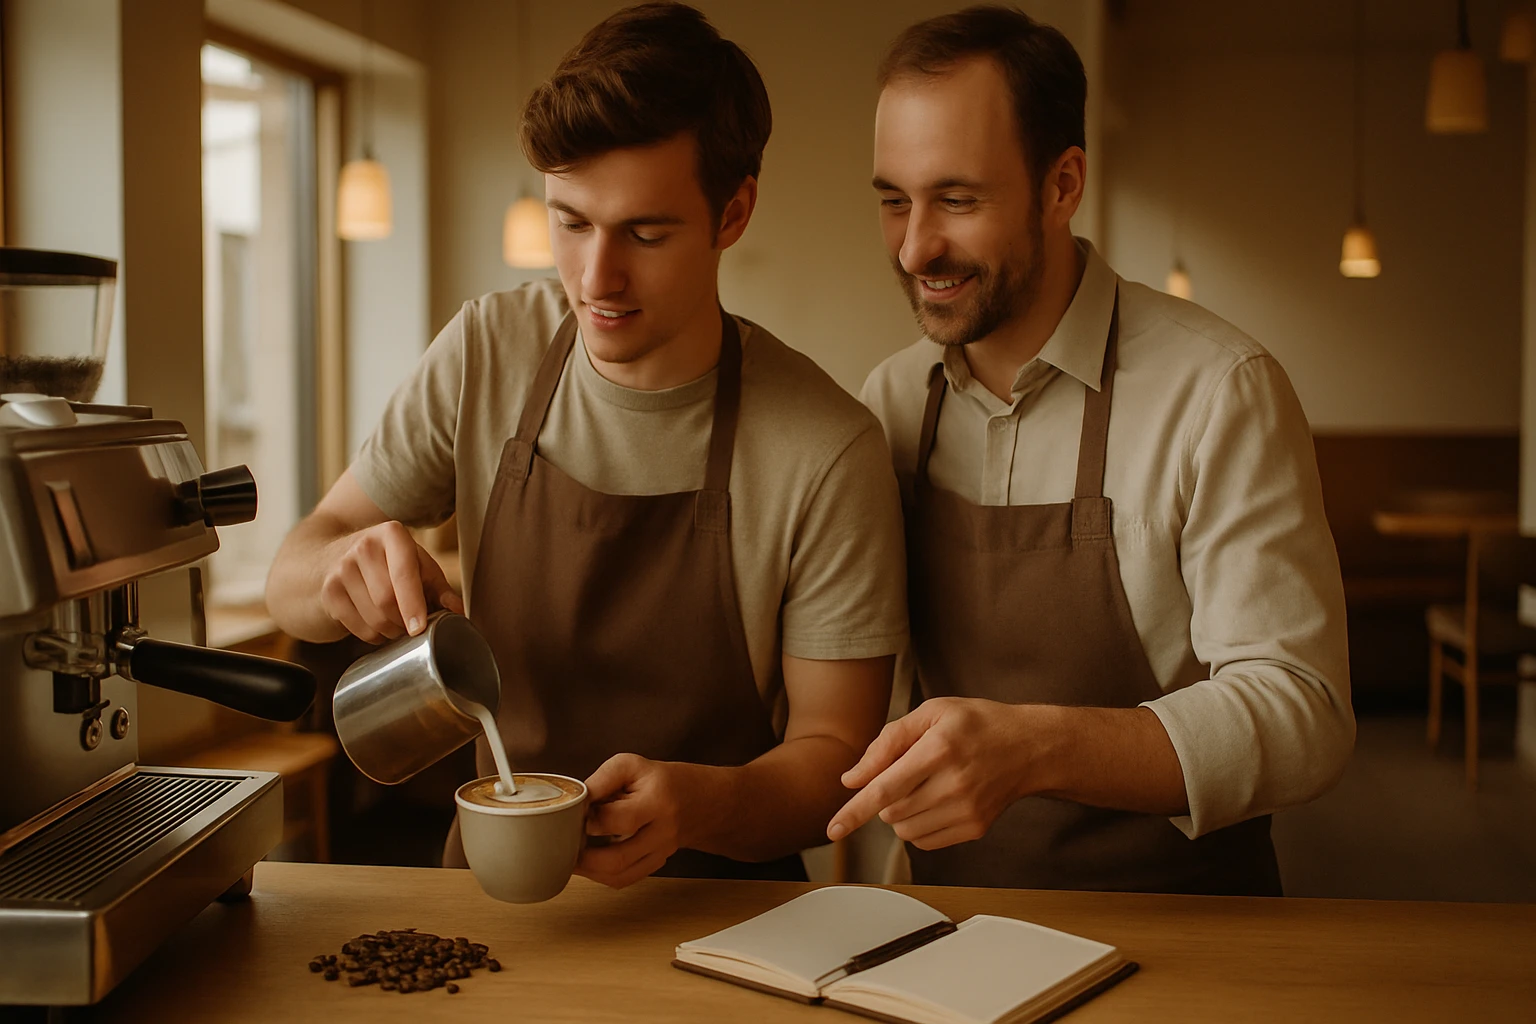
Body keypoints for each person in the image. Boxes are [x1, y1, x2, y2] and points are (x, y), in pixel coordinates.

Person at [267, 2, 906, 888]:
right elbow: (291, 573)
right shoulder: (485, 353)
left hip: (719, 918)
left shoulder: (826, 447)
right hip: (490, 895)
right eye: (570, 222)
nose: (596, 279)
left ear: (733, 213)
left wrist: (704, 806)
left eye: (645, 234)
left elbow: (835, 754)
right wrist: (341, 569)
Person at [827, 5, 1353, 895]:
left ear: (1062, 184)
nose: (916, 246)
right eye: (893, 201)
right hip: (950, 937)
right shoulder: (888, 406)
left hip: (1189, 935)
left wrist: (1036, 749)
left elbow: (1304, 714)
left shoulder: (1219, 390)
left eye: (957, 199)